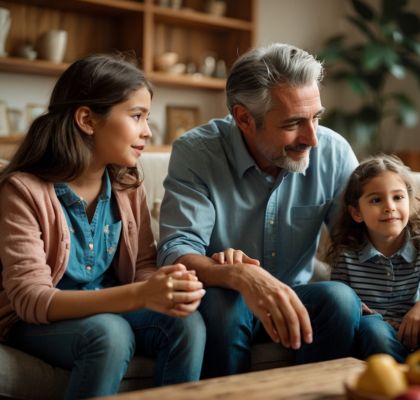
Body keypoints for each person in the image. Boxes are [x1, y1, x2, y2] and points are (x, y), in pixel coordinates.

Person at [0, 54, 206, 399]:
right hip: (34, 322)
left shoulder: (127, 185)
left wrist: (166, 286)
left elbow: (142, 266)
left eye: (147, 118)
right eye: (136, 116)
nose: (148, 131)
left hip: (108, 307)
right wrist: (140, 295)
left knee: (186, 322)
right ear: (87, 119)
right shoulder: (22, 190)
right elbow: (31, 299)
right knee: (109, 333)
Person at [157, 43, 362, 378]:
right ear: (244, 118)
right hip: (226, 298)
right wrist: (241, 276)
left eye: (316, 117)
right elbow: (176, 250)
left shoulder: (334, 151)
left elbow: (363, 232)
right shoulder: (197, 152)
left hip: (298, 297)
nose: (312, 138)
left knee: (340, 300)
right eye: (293, 123)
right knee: (225, 308)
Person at [326, 154, 420, 362]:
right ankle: (397, 385)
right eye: (376, 199)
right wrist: (375, 318)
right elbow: (344, 310)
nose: (389, 206)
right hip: (378, 338)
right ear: (357, 212)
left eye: (398, 197)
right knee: (372, 329)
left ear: (409, 202)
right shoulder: (347, 256)